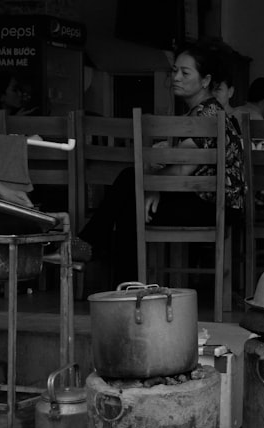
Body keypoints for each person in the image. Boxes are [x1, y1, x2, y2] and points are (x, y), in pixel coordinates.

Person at [75, 40, 246, 281]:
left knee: (129, 184)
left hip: (214, 206)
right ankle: (122, 280)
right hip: (197, 198)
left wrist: (152, 189)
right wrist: (152, 188)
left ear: (205, 81)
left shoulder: (206, 115)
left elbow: (183, 170)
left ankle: (100, 258)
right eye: (174, 71)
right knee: (130, 199)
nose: (176, 77)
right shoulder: (200, 113)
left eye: (185, 73)